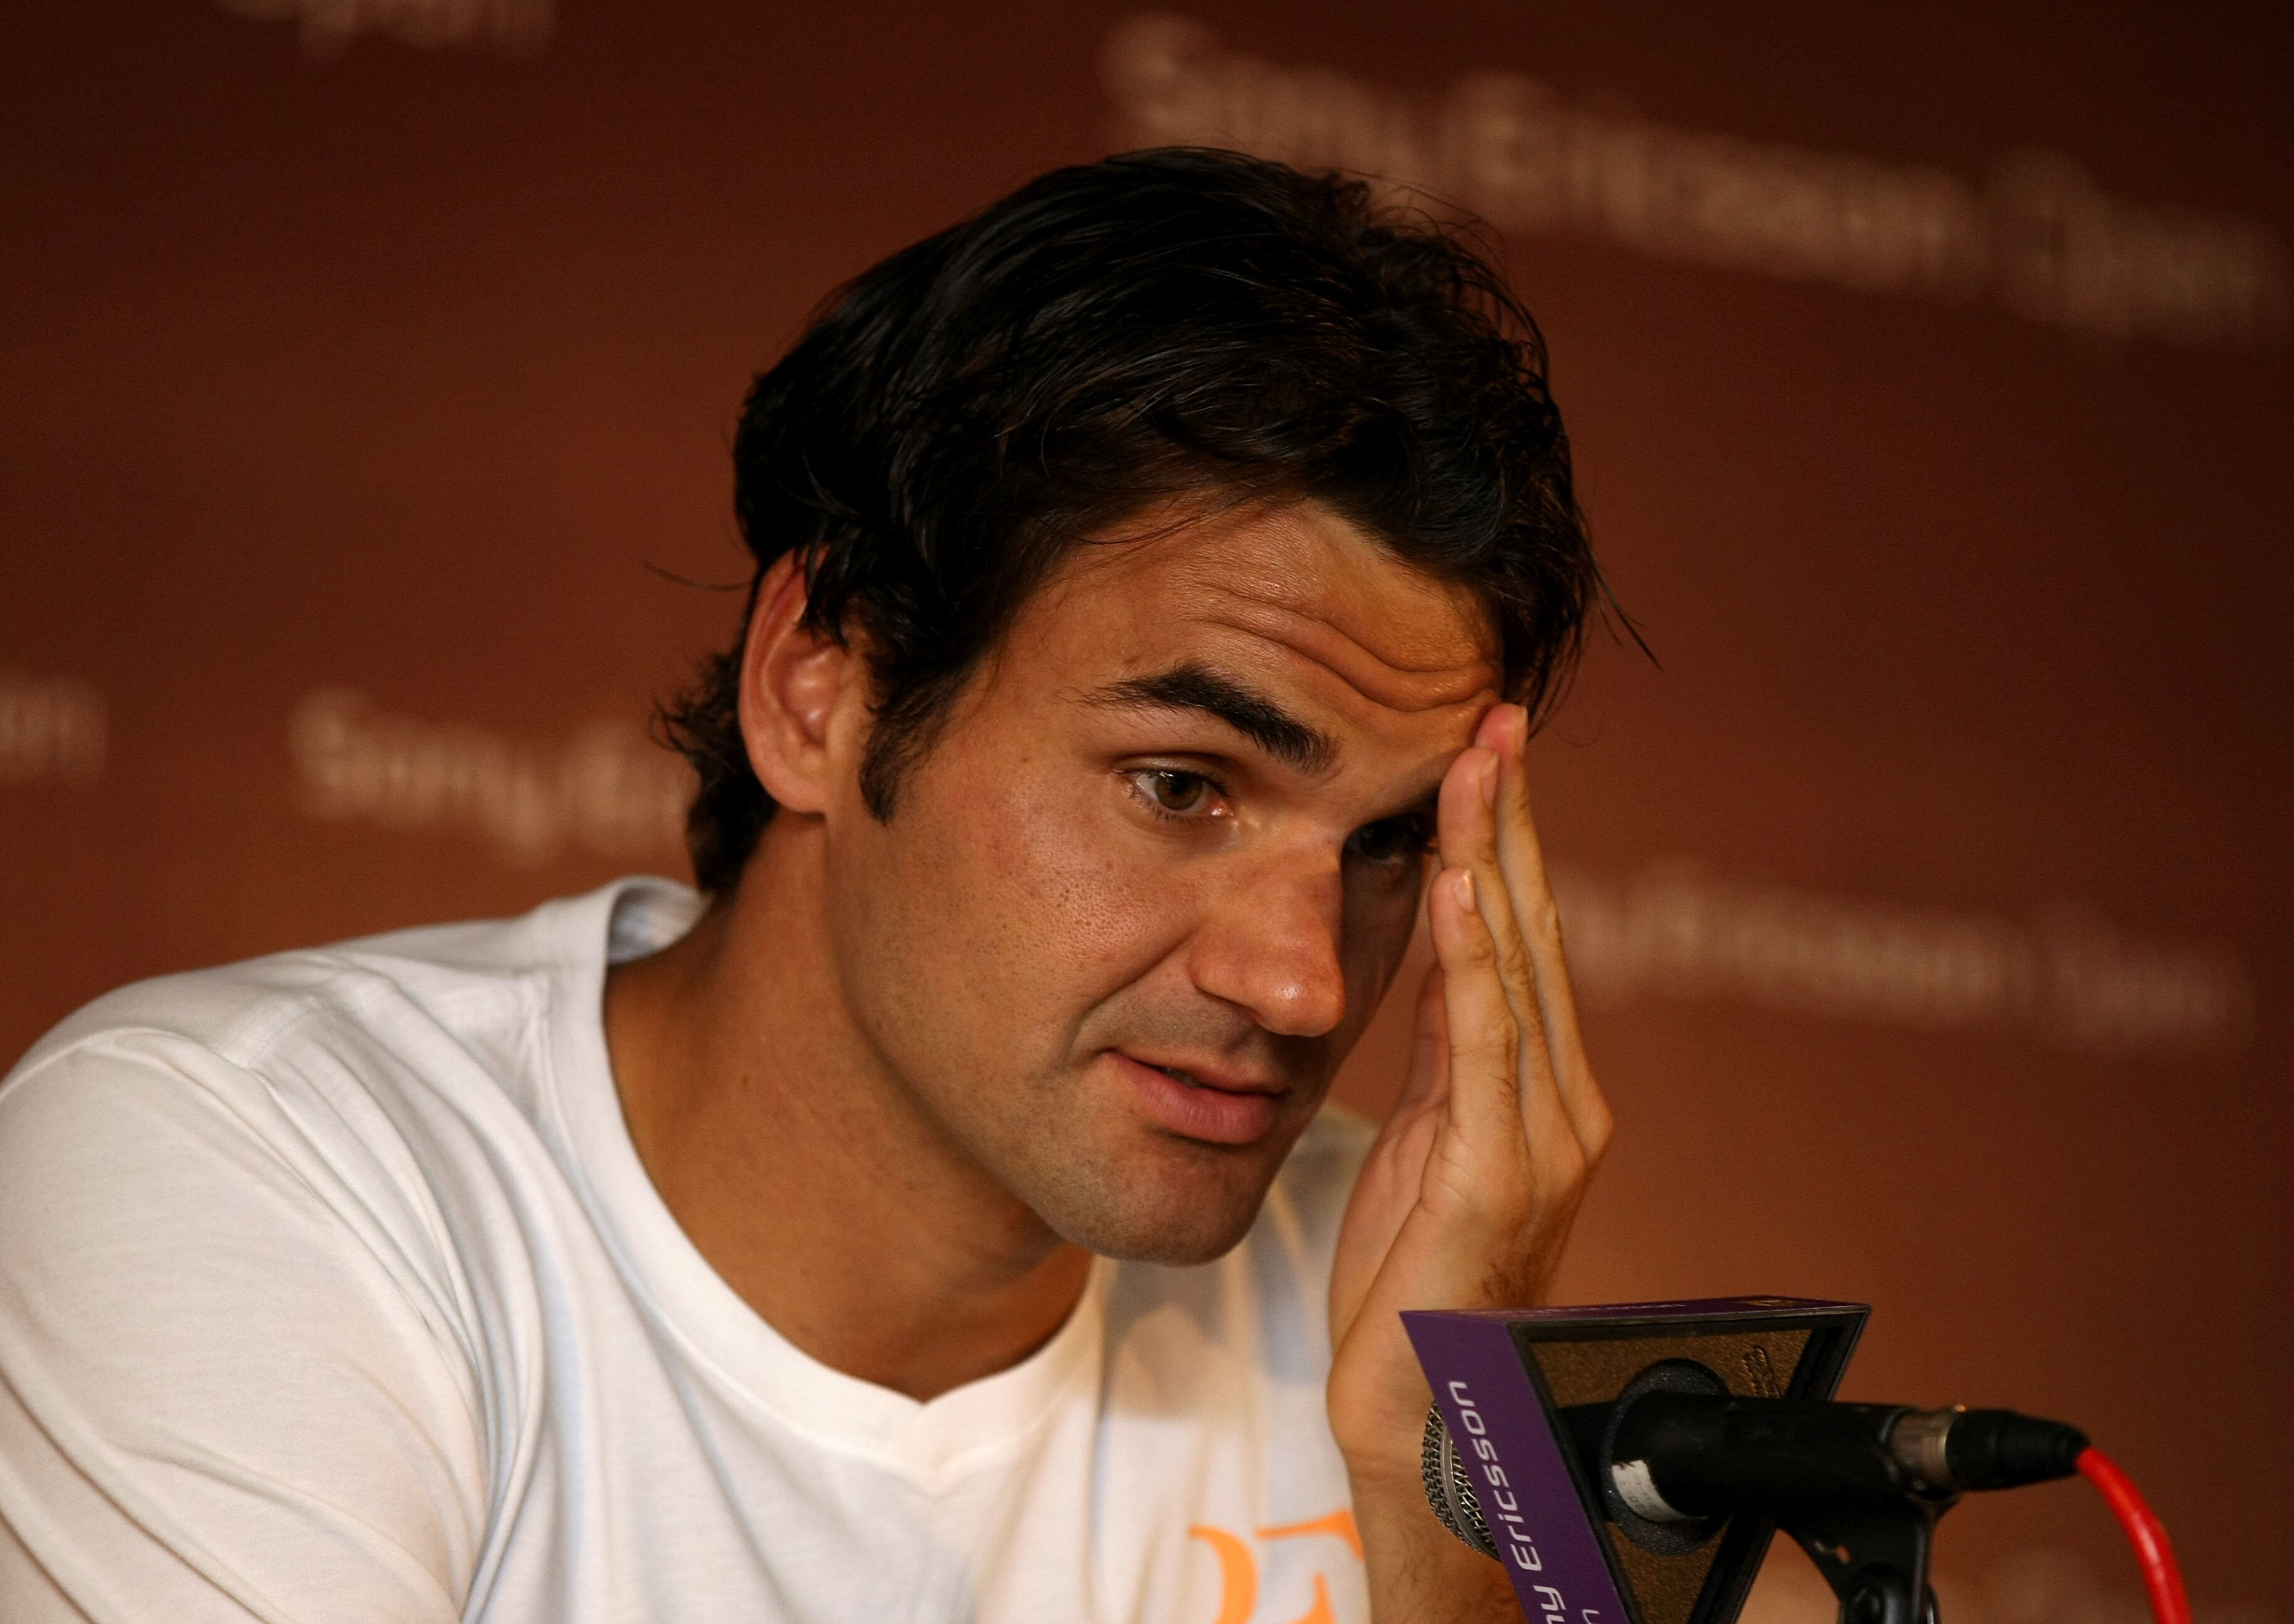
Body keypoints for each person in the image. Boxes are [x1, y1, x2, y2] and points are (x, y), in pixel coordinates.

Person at [0, 149, 1612, 1623]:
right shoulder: (244, 1169)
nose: (1302, 983)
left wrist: (1448, 1461)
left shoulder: (1398, 1279)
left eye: (1391, 845)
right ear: (817, 685)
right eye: (1180, 786)